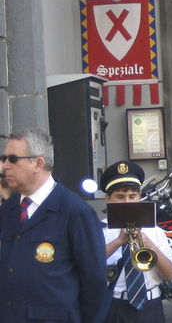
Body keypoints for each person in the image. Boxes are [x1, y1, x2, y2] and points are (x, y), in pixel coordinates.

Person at [0, 127, 108, 323]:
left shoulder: (75, 211)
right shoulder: (8, 209)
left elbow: (95, 281)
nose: (5, 165)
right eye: (4, 158)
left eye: (13, 159)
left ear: (38, 163)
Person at [101, 161, 172, 322]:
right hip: (114, 303)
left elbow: (170, 275)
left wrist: (149, 245)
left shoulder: (154, 231)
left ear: (139, 195)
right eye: (120, 197)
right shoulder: (100, 230)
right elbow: (90, 263)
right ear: (108, 198)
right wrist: (118, 241)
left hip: (150, 304)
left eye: (132, 196)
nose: (127, 202)